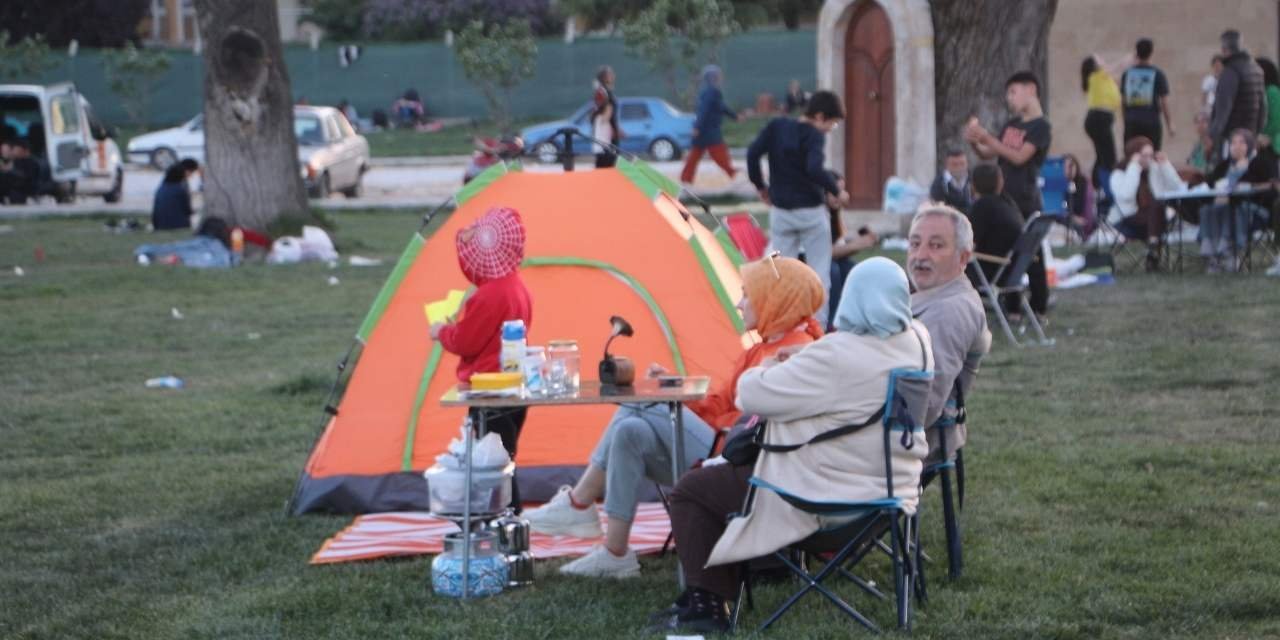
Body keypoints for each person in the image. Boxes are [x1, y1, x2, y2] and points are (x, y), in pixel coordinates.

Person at [654, 257, 932, 633]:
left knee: (693, 490)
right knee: (719, 481)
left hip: (823, 494)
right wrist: (804, 356)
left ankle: (707, 605)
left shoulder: (838, 355)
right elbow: (857, 365)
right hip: (891, 491)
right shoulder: (917, 340)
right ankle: (715, 594)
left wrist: (767, 366)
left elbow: (750, 395)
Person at [524, 255, 825, 579]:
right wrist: (675, 388)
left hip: (738, 460)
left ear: (775, 299)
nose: (739, 304)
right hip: (717, 446)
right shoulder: (758, 349)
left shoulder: (798, 353)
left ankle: (579, 502)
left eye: (747, 295)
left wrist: (671, 403)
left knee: (640, 403)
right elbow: (719, 404)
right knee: (630, 430)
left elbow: (751, 421)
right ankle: (615, 552)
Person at [429, 207, 534, 509]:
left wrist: (442, 331)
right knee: (506, 453)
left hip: (489, 391)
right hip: (514, 387)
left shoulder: (486, 296)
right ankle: (506, 515)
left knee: (492, 462)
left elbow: (466, 341)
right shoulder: (518, 287)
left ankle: (505, 516)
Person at [747, 90, 849, 328]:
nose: (829, 129)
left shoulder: (776, 127)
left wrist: (761, 186)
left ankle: (783, 324)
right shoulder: (813, 135)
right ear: (821, 116)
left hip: (781, 211)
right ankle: (817, 327)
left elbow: (753, 154)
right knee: (818, 273)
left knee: (783, 272)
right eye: (832, 124)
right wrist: (836, 190)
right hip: (811, 213)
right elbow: (814, 168)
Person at [905, 206, 990, 464]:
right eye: (915, 243)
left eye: (936, 246)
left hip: (904, 445)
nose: (920, 255)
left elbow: (922, 409)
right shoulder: (936, 295)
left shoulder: (950, 311)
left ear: (963, 258)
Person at [964, 71, 1051, 320]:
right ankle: (1012, 306)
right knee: (1005, 251)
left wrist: (987, 137)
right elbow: (988, 153)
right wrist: (974, 141)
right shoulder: (1011, 125)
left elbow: (1019, 156)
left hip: (1025, 196)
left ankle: (1039, 305)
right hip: (1002, 198)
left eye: (1013, 92)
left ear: (1031, 89)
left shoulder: (1040, 127)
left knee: (1031, 253)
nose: (1010, 99)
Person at [1199, 129, 1276, 272]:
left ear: (1250, 145)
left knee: (1232, 209)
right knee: (1207, 209)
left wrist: (1238, 172)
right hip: (1224, 205)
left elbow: (1266, 186)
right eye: (1233, 142)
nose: (1237, 146)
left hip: (1255, 208)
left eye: (1242, 142)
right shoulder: (1224, 165)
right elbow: (1211, 182)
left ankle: (1227, 249)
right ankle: (1210, 251)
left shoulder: (1259, 162)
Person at [1106, 135, 1187, 271]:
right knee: (1157, 207)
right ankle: (1153, 252)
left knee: (1157, 205)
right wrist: (1134, 167)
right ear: (1133, 155)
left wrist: (1166, 166)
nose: (1148, 159)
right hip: (1127, 218)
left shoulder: (1154, 169)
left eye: (1150, 155)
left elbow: (1178, 188)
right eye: (1144, 156)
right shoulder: (1118, 174)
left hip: (1154, 217)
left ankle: (1153, 247)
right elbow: (1126, 195)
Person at [824, 171, 877, 326]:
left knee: (855, 269)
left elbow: (840, 240)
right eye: (836, 191)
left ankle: (858, 318)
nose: (842, 195)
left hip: (827, 259)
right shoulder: (818, 213)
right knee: (833, 270)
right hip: (806, 260)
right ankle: (831, 323)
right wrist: (858, 245)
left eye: (843, 190)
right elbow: (825, 253)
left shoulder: (834, 213)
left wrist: (859, 237)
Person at [964, 164, 1024, 290]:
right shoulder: (1008, 204)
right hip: (1011, 272)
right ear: (999, 183)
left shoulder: (982, 207)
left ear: (973, 185)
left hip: (988, 273)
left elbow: (968, 246)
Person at [680, 66, 743, 185]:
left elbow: (721, 107)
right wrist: (697, 127)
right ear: (714, 78)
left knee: (695, 155)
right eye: (719, 76)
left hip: (704, 130)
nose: (721, 78)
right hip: (708, 130)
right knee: (719, 152)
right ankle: (732, 172)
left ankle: (685, 179)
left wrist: (735, 116)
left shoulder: (709, 92)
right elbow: (704, 110)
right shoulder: (713, 92)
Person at [1210, 30, 1266, 161]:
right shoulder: (1257, 69)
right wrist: (1254, 135)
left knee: (1228, 179)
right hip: (1249, 139)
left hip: (1232, 141)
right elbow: (1263, 109)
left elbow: (1223, 111)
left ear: (1224, 49)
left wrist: (1213, 136)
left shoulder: (1230, 72)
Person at [1120, 38, 1174, 150]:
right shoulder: (1158, 73)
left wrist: (1125, 119)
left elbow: (1123, 100)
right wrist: (1170, 125)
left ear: (1136, 53)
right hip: (1151, 121)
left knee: (1131, 155)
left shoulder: (1127, 74)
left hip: (1132, 121)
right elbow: (1164, 102)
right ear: (1151, 53)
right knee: (1153, 154)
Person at [1081, 54, 1125, 186]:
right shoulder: (1096, 76)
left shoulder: (1104, 79)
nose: (1103, 59)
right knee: (1109, 157)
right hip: (1099, 119)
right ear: (1094, 66)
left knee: (1102, 156)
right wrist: (1131, 58)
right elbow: (1118, 66)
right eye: (1099, 59)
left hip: (1101, 119)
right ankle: (1103, 185)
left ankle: (1096, 184)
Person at [151, 159, 200, 231]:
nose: (191, 176)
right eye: (191, 172)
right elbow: (187, 210)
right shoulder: (181, 188)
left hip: (160, 225)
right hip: (177, 226)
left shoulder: (162, 187)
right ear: (186, 171)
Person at [592, 66, 622, 169]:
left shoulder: (605, 91)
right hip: (606, 134)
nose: (613, 76)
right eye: (610, 74)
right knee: (606, 159)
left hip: (608, 131)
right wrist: (611, 129)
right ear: (604, 78)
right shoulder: (603, 92)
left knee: (607, 160)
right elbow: (605, 113)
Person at [1063, 153, 1097, 240]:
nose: (1070, 169)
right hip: (1064, 220)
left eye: (1072, 166)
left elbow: (1088, 206)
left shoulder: (1083, 183)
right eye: (1066, 166)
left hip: (1083, 219)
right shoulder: (1057, 185)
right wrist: (1071, 217)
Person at [928, 148, 974, 213]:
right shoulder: (939, 183)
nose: (959, 168)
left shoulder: (973, 179)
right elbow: (937, 206)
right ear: (947, 165)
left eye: (962, 164)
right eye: (954, 165)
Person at [0, 139, 42, 204]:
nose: (14, 152)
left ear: (25, 151)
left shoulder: (33, 162)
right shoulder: (16, 161)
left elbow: (27, 177)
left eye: (16, 150)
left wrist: (10, 170)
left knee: (15, 193)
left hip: (25, 189)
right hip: (13, 187)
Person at [1254, 57, 1280, 156]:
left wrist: (1262, 134)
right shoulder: (1262, 91)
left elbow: (1277, 121)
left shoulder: (1272, 91)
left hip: (1272, 145)